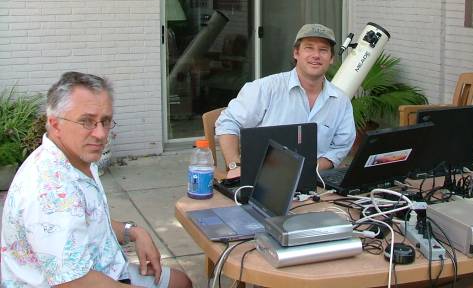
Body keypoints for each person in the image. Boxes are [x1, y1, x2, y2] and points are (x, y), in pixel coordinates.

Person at [1, 72, 192, 288]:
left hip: (102, 268)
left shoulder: (78, 156)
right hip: (73, 282)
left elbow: (90, 220)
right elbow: (74, 282)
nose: (101, 134)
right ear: (55, 124)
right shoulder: (49, 189)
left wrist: (133, 231)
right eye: (87, 122)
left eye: (105, 121)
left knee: (181, 282)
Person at [216, 23, 356, 178]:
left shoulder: (340, 101)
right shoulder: (266, 88)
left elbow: (340, 147)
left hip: (315, 180)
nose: (316, 55)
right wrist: (235, 165)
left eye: (323, 50)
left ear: (331, 58)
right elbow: (228, 122)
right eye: (309, 48)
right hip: (262, 177)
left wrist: (311, 169)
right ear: (296, 53)